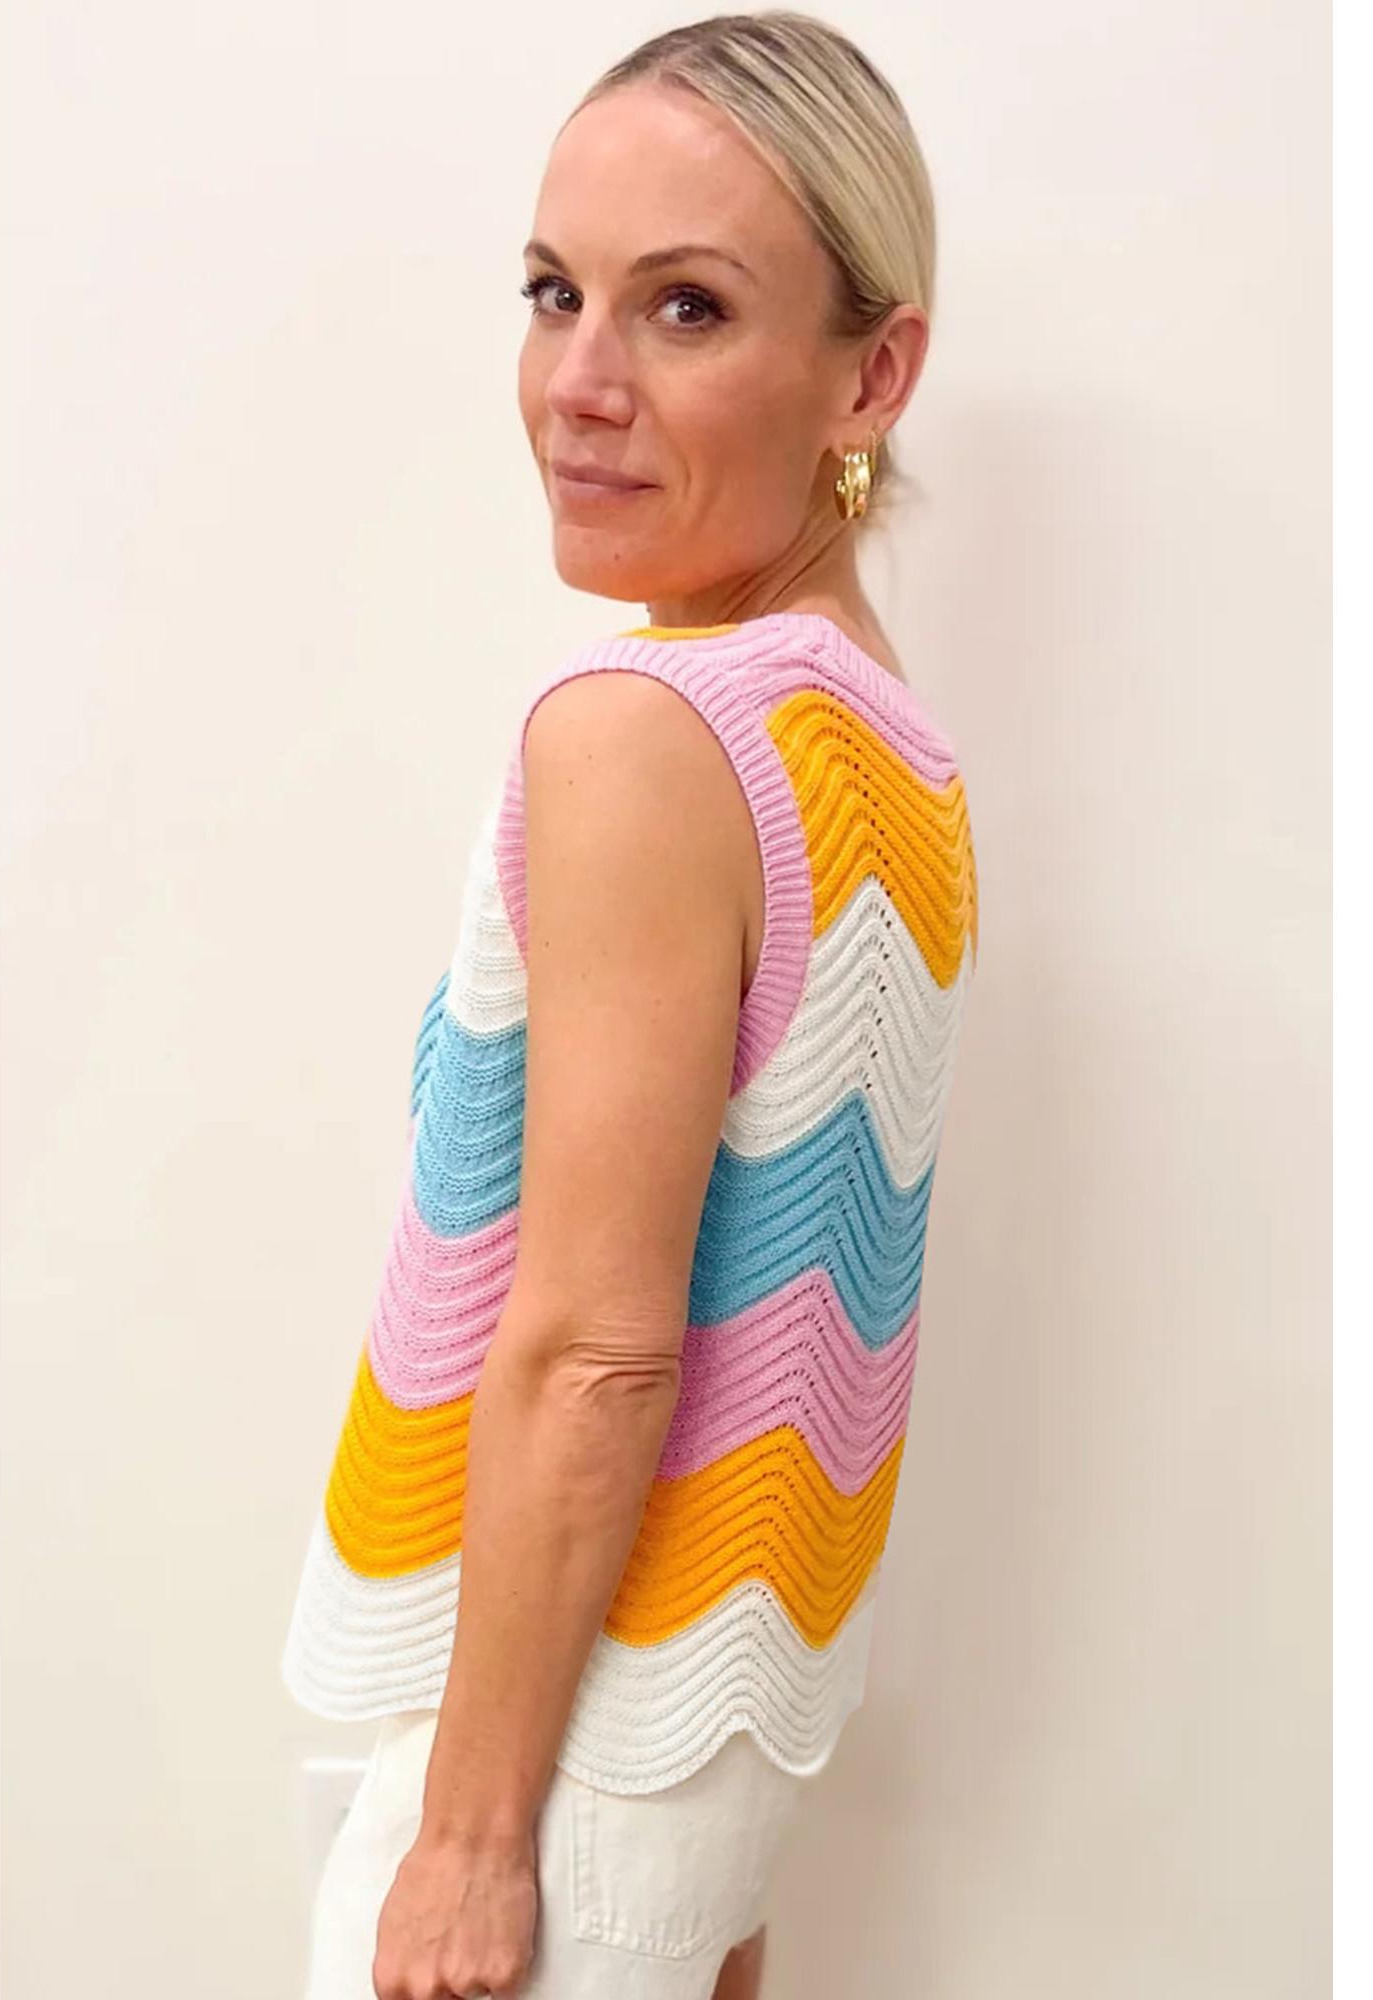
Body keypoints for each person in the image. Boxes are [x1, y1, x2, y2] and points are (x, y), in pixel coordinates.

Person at [281, 12, 981, 1997]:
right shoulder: (890, 755)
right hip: (703, 1757)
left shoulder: (643, 732)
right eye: (551, 291)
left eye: (685, 308)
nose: (578, 384)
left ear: (872, 371)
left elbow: (599, 1347)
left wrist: (467, 1845)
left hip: (552, 1774)